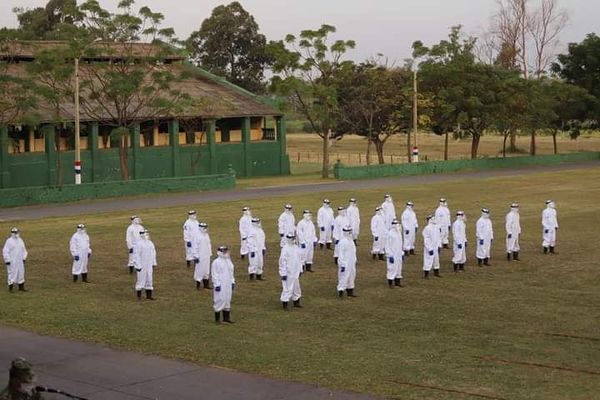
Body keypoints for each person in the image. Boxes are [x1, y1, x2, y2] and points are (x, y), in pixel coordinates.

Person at [279, 233, 303, 310]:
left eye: (293, 238)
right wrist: (283, 273)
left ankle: (296, 302)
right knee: (287, 288)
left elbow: (299, 259)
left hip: (295, 272)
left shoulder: (296, 248)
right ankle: (285, 304)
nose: (292, 239)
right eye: (290, 238)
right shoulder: (285, 249)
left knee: (296, 288)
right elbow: (282, 262)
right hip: (288, 272)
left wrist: (300, 269)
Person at [212, 245, 235, 324]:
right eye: (224, 251)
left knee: (227, 299)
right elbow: (214, 274)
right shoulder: (216, 262)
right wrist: (216, 284)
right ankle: (217, 319)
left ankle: (226, 318)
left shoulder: (229, 261)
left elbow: (231, 272)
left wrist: (232, 282)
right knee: (220, 299)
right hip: (221, 284)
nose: (226, 253)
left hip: (228, 284)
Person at [2, 228, 28, 292]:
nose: (17, 234)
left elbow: (24, 250)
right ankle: (10, 288)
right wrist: (7, 260)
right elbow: (5, 251)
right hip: (12, 261)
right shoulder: (9, 241)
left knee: (21, 273)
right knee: (11, 273)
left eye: (17, 232)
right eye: (15, 233)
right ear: (12, 233)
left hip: (20, 261)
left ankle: (21, 287)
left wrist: (24, 258)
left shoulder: (20, 240)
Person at [134, 229, 157, 300]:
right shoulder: (139, 244)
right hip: (142, 264)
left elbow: (153, 253)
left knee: (149, 279)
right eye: (146, 233)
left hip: (149, 264)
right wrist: (138, 265)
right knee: (141, 279)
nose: (147, 235)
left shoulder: (150, 243)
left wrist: (153, 262)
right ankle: (139, 296)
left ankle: (149, 296)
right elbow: (136, 255)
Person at [337, 226, 357, 298]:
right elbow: (340, 254)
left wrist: (354, 260)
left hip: (351, 262)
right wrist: (342, 264)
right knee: (344, 277)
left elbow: (353, 251)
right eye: (349, 231)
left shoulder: (351, 241)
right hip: (345, 263)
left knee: (352, 276)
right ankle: (341, 291)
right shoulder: (342, 242)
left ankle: (350, 291)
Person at [193, 222, 212, 289]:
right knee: (200, 270)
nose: (206, 229)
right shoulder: (197, 236)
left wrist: (210, 253)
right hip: (200, 256)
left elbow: (209, 244)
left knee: (206, 270)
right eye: (204, 228)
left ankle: (206, 285)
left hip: (206, 255)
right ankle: (198, 284)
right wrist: (196, 256)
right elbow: (195, 247)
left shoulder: (206, 235)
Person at [385, 219, 404, 288]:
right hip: (392, 254)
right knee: (392, 268)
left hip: (398, 254)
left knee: (399, 268)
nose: (398, 225)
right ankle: (390, 283)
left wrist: (402, 253)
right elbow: (387, 245)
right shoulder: (390, 234)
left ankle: (397, 282)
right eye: (397, 224)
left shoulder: (398, 233)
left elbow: (400, 244)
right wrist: (389, 255)